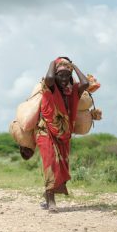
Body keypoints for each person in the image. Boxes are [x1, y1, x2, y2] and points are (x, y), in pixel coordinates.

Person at [21, 57, 89, 213]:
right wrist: (54, 62)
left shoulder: (72, 92)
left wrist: (74, 66)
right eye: (61, 75)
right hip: (45, 131)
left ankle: (47, 196)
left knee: (61, 166)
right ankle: (51, 202)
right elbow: (50, 77)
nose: (64, 79)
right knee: (51, 163)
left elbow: (85, 83)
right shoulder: (49, 88)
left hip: (64, 135)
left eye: (67, 76)